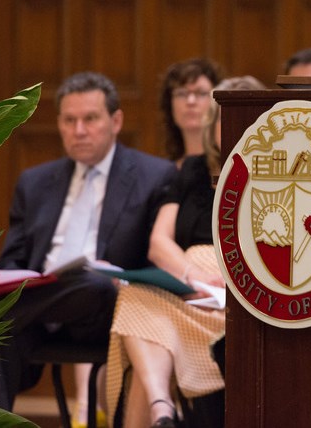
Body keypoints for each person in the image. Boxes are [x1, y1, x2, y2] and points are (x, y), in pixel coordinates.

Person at [0, 72, 177, 414]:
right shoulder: (34, 182)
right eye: (69, 120)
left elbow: (158, 264)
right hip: (38, 316)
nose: (79, 130)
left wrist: (120, 279)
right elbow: (8, 265)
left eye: (90, 119)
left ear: (116, 120)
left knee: (90, 280)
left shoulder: (154, 176)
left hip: (109, 312)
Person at [106, 76, 265, 428]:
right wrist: (193, 277)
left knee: (143, 326)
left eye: (248, 117)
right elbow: (159, 243)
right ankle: (162, 408)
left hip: (237, 295)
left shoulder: (278, 177)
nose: (235, 125)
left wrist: (227, 280)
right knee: (138, 296)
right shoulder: (194, 170)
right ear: (213, 124)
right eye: (227, 116)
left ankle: (161, 408)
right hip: (189, 289)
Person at [159, 58, 222, 167]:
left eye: (201, 93)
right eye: (181, 94)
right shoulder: (163, 173)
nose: (190, 101)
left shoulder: (233, 169)